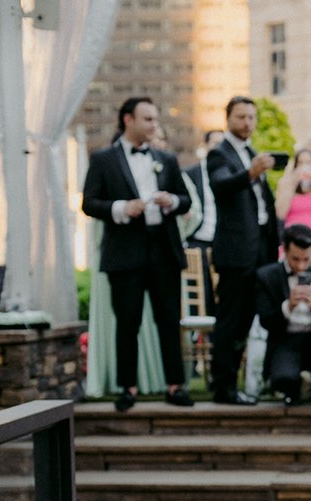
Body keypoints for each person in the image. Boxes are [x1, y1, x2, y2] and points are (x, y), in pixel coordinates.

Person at [80, 96, 194, 411]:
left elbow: (186, 200)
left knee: (169, 321)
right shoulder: (103, 159)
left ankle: (175, 386)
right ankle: (127, 388)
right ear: (128, 119)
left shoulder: (166, 158)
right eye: (148, 119)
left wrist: (172, 201)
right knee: (127, 322)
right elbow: (89, 203)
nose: (154, 125)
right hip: (125, 251)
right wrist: (121, 208)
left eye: (155, 119)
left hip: (163, 249)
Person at [207, 95, 280, 405]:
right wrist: (251, 172)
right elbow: (221, 185)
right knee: (230, 321)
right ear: (228, 119)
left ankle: (240, 382)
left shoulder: (251, 152)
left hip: (260, 248)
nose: (247, 123)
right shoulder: (219, 153)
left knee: (248, 319)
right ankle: (223, 387)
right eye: (241, 117)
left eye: (251, 117)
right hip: (236, 252)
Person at [254, 224, 311, 410]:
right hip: (287, 340)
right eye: (295, 259)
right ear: (285, 250)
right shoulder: (267, 276)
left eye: (306, 259)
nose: (301, 265)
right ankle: (293, 386)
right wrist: (287, 307)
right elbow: (265, 320)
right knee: (282, 381)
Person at [184, 129, 225, 314]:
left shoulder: (228, 173)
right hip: (197, 239)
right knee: (200, 289)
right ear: (206, 146)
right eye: (215, 143)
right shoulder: (191, 174)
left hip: (222, 240)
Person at [275, 148, 311, 243]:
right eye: (300, 163)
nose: (304, 166)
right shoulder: (287, 184)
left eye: (308, 162)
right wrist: (293, 183)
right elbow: (280, 213)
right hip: (293, 237)